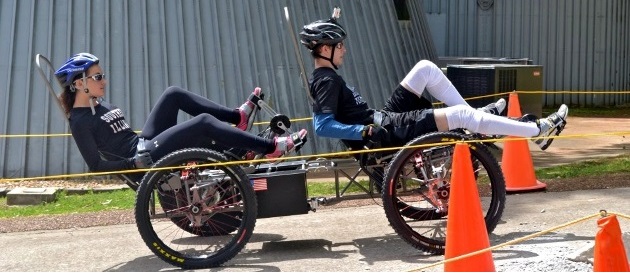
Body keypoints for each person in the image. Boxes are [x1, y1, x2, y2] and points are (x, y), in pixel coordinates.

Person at [299, 18, 568, 151]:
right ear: (325, 48)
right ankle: (536, 130)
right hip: (384, 131)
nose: (344, 50)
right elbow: (322, 126)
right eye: (340, 46)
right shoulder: (326, 81)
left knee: (426, 69)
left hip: (383, 118)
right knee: (460, 114)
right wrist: (363, 131)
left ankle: (473, 121)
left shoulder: (328, 77)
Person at [54, 52, 307, 180]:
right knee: (203, 124)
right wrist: (132, 165)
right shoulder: (79, 121)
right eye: (98, 77)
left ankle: (237, 116)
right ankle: (272, 147)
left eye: (102, 75)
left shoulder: (99, 104)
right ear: (78, 84)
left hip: (143, 142)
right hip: (141, 160)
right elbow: (96, 166)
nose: (104, 81)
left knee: (173, 94)